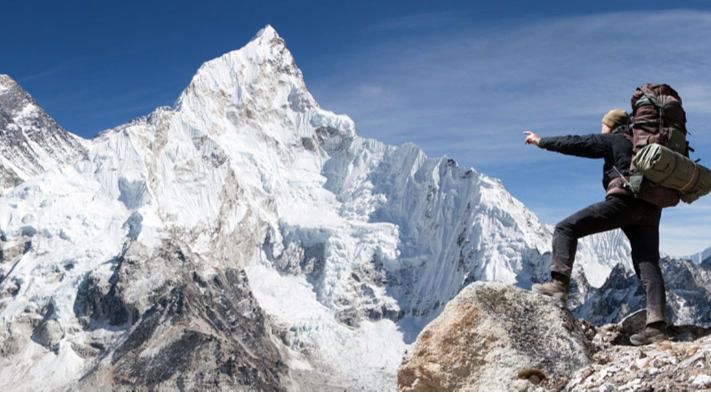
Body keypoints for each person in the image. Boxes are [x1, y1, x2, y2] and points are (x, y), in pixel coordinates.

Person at [524, 109, 668, 346]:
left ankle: (558, 285)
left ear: (611, 125)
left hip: (625, 203)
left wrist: (542, 142)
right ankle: (657, 326)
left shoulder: (615, 139)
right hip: (651, 208)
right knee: (648, 264)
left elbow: (578, 143)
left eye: (603, 124)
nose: (602, 128)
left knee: (566, 228)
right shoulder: (641, 145)